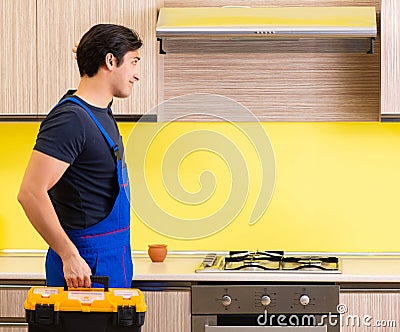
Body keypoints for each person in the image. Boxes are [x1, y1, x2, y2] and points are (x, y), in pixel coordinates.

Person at [18, 24, 142, 288]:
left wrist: (89, 53)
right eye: (133, 62)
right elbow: (30, 193)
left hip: (113, 260)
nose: (136, 74)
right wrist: (69, 255)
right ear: (111, 60)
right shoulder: (70, 120)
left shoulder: (100, 113)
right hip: (85, 269)